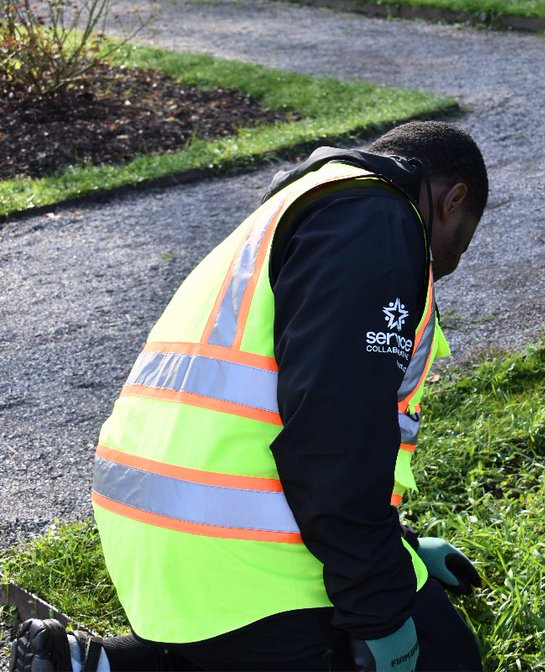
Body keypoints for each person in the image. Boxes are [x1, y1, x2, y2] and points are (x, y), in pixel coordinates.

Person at [11, 121, 490, 671]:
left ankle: (88, 662)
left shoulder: (302, 206)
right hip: (236, 548)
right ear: (453, 200)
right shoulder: (377, 220)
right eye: (463, 238)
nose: (447, 263)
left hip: (159, 533)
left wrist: (398, 547)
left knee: (427, 630)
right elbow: (335, 434)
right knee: (445, 660)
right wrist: (379, 610)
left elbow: (265, 418)